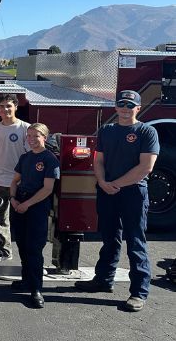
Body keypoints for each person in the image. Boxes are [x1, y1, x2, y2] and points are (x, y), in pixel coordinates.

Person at [74, 89, 159, 312]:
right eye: (122, 104)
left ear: (138, 108)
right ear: (116, 107)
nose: (125, 108)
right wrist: (102, 182)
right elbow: (98, 160)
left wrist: (116, 184)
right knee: (109, 239)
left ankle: (139, 292)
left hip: (133, 193)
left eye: (130, 105)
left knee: (135, 241)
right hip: (107, 191)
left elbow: (146, 167)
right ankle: (103, 280)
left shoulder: (146, 132)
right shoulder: (107, 130)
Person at [9, 123, 60, 309]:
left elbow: (47, 189)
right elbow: (14, 181)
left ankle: (36, 289)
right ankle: (26, 281)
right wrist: (13, 199)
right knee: (22, 245)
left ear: (44, 137)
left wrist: (26, 204)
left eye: (35, 136)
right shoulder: (25, 157)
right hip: (20, 203)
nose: (31, 140)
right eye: (28, 136)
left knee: (34, 249)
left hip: (36, 206)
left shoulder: (50, 159)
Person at [0, 94, 30, 260]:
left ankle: (25, 254)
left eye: (8, 106)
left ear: (16, 107)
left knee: (21, 219)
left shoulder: (25, 128)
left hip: (19, 182)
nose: (5, 109)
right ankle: (5, 251)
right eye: (1, 106)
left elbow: (30, 157)